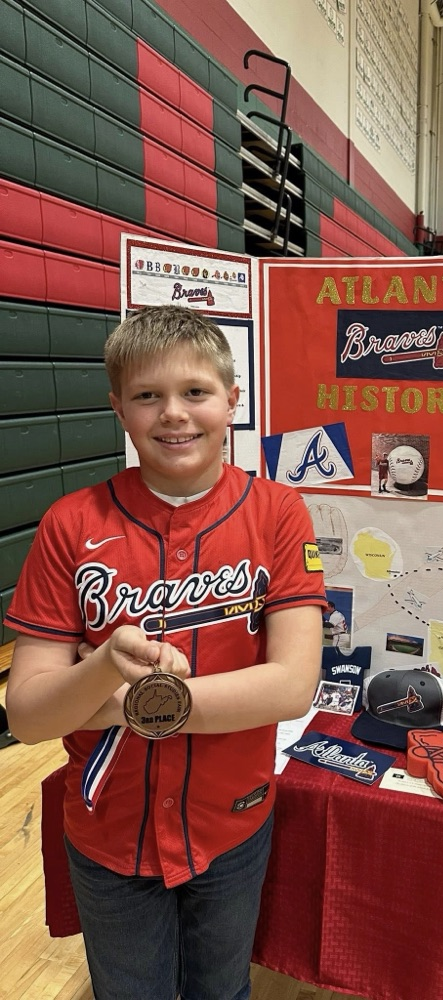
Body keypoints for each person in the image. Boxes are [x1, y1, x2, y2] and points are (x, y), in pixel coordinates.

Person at [4, 305, 327, 1000]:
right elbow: (27, 715)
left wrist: (118, 707)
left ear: (231, 401)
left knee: (222, 990)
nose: (174, 414)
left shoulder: (278, 512)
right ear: (119, 406)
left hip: (231, 823)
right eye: (148, 395)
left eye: (195, 393)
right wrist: (100, 667)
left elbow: (293, 686)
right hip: (108, 834)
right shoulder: (70, 524)